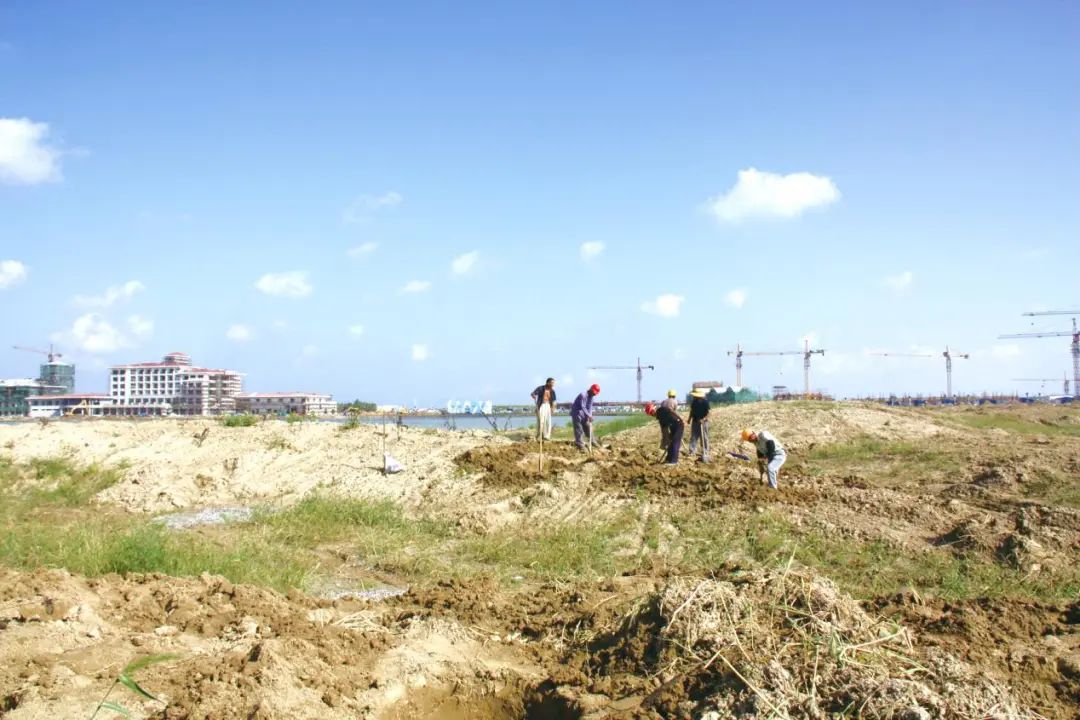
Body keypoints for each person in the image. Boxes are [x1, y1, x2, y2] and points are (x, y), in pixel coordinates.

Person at [571, 384, 600, 450]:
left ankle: (592, 441)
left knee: (588, 427)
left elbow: (589, 407)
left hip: (584, 414)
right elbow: (583, 406)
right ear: (591, 389)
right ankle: (580, 444)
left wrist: (590, 416)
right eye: (594, 392)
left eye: (595, 393)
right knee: (579, 429)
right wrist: (588, 415)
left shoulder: (591, 397)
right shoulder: (583, 395)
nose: (594, 394)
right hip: (577, 413)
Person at [687, 388, 711, 462]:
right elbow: (691, 411)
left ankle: (705, 451)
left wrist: (703, 419)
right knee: (694, 437)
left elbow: (708, 413)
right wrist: (689, 419)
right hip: (695, 421)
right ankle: (692, 451)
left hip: (704, 422)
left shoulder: (705, 402)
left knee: (704, 437)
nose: (694, 397)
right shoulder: (694, 402)